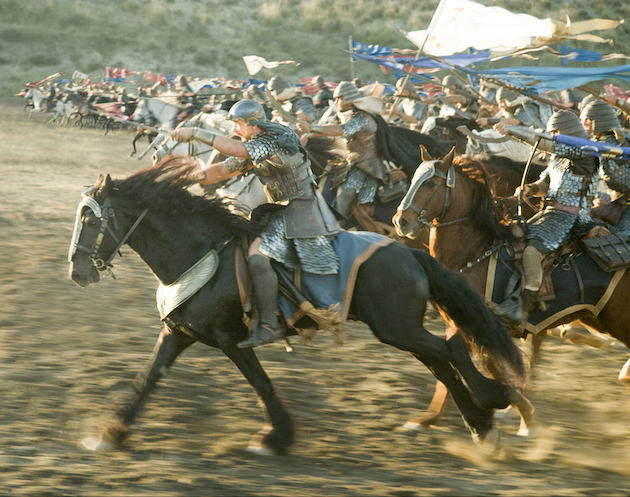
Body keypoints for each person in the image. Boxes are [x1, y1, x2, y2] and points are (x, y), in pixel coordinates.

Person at [171, 99, 341, 347]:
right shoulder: (256, 144)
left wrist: (195, 133)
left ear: (253, 123)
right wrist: (187, 179)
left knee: (258, 258)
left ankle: (269, 325)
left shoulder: (276, 139)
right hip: (276, 210)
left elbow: (237, 151)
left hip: (300, 209)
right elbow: (225, 169)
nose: (235, 130)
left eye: (238, 124)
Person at [496, 110, 601, 318]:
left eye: (555, 132)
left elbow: (546, 144)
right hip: (550, 213)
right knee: (513, 237)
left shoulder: (586, 153)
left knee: (532, 252)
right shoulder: (558, 158)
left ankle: (524, 308)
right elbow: (545, 184)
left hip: (572, 218)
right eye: (551, 132)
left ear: (568, 132)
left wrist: (513, 132)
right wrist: (530, 189)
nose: (552, 135)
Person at [297, 80, 392, 229]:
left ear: (348, 99)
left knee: (346, 193)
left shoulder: (362, 117)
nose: (336, 102)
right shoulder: (342, 116)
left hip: (367, 167)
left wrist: (311, 128)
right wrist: (308, 136)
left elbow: (341, 130)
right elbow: (329, 129)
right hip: (351, 164)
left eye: (339, 98)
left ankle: (337, 228)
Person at [581, 100, 630, 235]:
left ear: (596, 122)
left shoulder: (613, 145)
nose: (583, 123)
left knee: (623, 239)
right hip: (616, 202)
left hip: (624, 204)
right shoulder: (597, 144)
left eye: (586, 120)